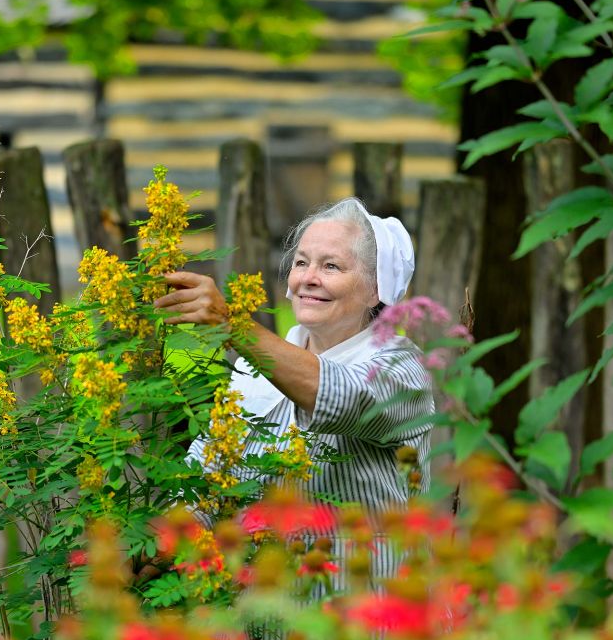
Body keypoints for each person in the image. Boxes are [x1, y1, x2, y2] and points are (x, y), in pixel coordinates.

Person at [157, 197, 434, 516]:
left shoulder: (403, 368)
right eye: (301, 263)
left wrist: (233, 325)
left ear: (376, 288)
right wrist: (170, 535)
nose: (308, 278)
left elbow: (339, 395)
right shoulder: (253, 368)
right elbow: (209, 465)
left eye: (331, 266)